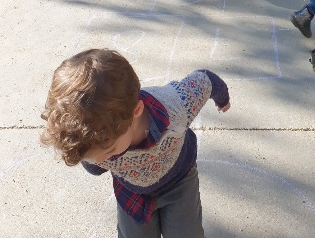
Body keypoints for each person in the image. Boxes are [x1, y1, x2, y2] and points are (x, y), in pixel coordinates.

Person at [40, 49, 230, 238]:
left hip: (179, 180)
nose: (98, 160)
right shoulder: (94, 142)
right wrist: (89, 157)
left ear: (136, 111)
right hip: (132, 190)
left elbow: (206, 81)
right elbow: (92, 157)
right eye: (91, 156)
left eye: (110, 150)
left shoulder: (177, 106)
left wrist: (223, 99)